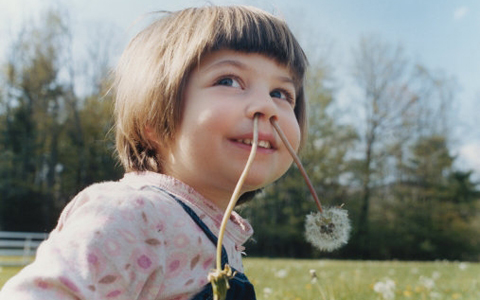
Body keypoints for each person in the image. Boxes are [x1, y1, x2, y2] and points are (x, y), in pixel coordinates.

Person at [0, 5, 308, 300]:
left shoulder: (216, 230)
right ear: (154, 122)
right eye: (228, 80)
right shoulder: (131, 213)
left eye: (281, 93)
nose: (267, 106)